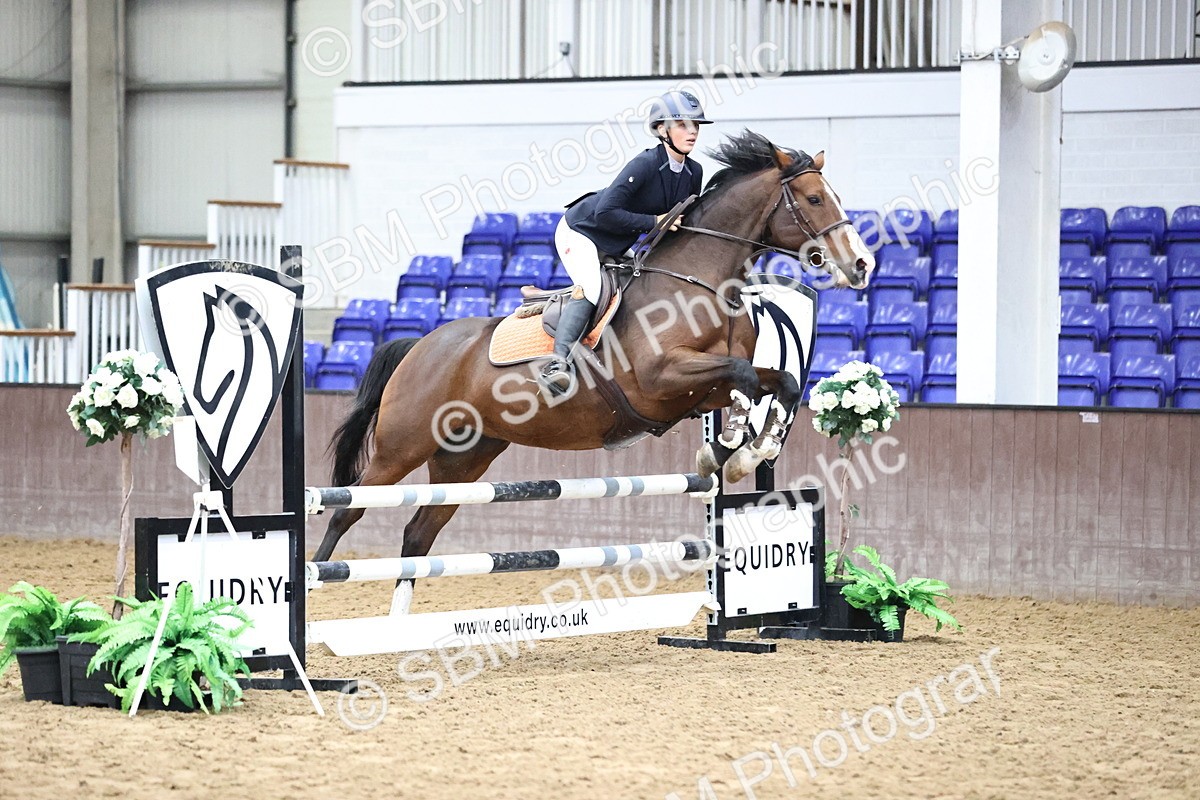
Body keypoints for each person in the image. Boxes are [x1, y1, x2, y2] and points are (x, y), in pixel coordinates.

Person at [540, 89, 713, 395]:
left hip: (618, 242)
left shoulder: (693, 172)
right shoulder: (645, 164)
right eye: (683, 124)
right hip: (581, 231)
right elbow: (606, 212)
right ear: (662, 129)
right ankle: (558, 363)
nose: (693, 131)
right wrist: (654, 222)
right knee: (592, 287)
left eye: (696, 125)